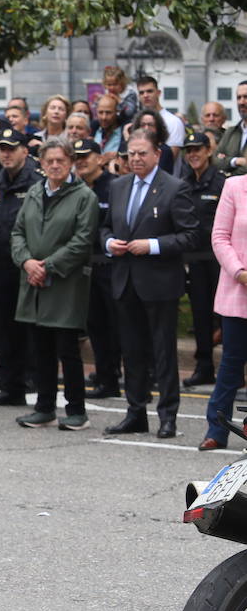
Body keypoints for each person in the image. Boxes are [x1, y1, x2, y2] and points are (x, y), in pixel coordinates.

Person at [101, 129, 199, 438]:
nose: (136, 159)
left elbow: (191, 235)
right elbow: (103, 228)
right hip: (125, 280)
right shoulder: (117, 187)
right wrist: (109, 243)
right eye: (131, 153)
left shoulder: (174, 188)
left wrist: (153, 245)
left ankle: (167, 415)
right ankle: (135, 412)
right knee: (131, 352)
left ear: (157, 154)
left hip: (159, 283)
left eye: (143, 153)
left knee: (163, 352)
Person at [10, 139, 100, 430]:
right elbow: (18, 232)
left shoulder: (84, 196)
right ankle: (44, 407)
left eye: (61, 160)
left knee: (67, 350)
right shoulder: (35, 192)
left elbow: (82, 241)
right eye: (49, 161)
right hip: (33, 281)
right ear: (41, 163)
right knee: (41, 349)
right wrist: (26, 262)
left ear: (71, 161)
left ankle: (76, 411)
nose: (55, 165)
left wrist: (47, 266)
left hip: (65, 284)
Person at [0, 128, 40, 406]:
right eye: (2, 148)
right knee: (1, 325)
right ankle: (7, 378)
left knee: (27, 324)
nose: (6, 153)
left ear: (25, 151)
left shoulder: (37, 181)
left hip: (25, 264)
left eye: (12, 148)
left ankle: (30, 375)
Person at [72, 138, 122, 399]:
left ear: (100, 158)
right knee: (95, 325)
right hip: (85, 266)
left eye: (86, 156)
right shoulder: (76, 188)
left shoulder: (113, 187)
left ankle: (117, 377)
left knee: (115, 326)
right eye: (77, 156)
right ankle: (105, 376)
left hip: (109, 265)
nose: (81, 161)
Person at [176, 130, 226, 387]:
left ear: (208, 151)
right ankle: (204, 365)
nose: (193, 154)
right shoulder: (183, 183)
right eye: (189, 150)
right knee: (200, 314)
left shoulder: (221, 181)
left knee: (227, 315)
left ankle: (232, 369)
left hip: (220, 260)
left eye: (198, 149)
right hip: (195, 259)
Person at [200, 172, 247, 449]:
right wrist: (238, 271)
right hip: (237, 290)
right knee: (231, 364)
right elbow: (219, 236)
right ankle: (216, 430)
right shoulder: (234, 186)